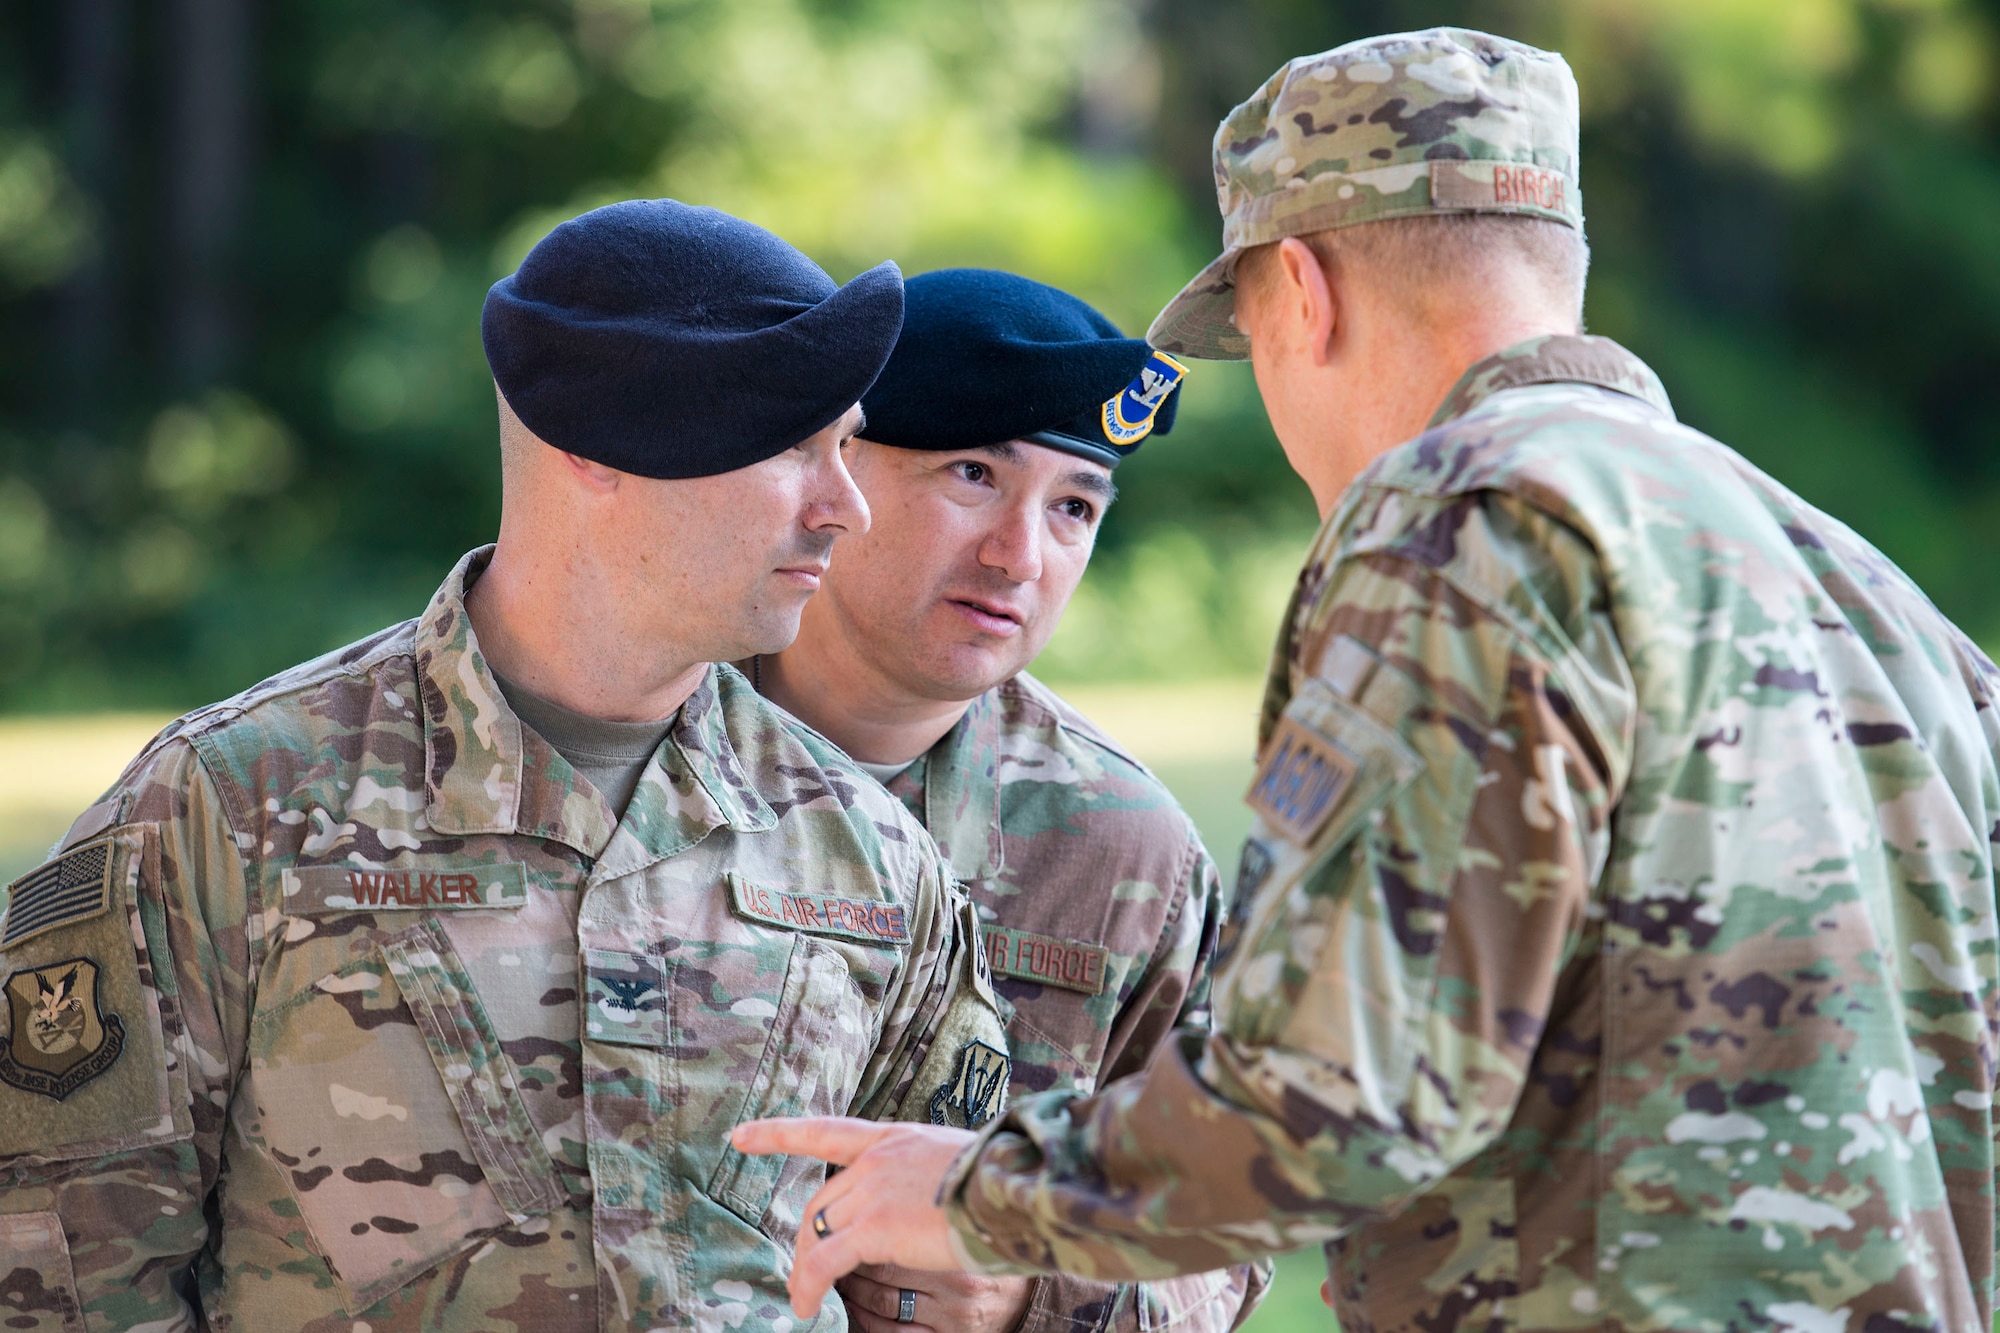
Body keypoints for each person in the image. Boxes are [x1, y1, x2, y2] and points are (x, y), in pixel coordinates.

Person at [734, 26, 2000, 1332]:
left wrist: (973, 1197)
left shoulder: (1461, 519)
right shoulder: (1871, 594)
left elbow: (1334, 1093)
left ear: (1300, 292)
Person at [0, 199, 1009, 1331]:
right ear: (594, 440)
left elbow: (934, 1278)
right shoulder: (226, 814)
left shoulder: (867, 859)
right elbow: (62, 1285)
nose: (847, 507)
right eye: (793, 447)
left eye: (847, 443)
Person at [747, 267, 1268, 1333]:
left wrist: (1034, 1291)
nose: (1018, 555)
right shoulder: (641, 749)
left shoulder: (1126, 853)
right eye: (973, 474)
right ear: (835, 472)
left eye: (1072, 507)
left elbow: (1222, 1224)